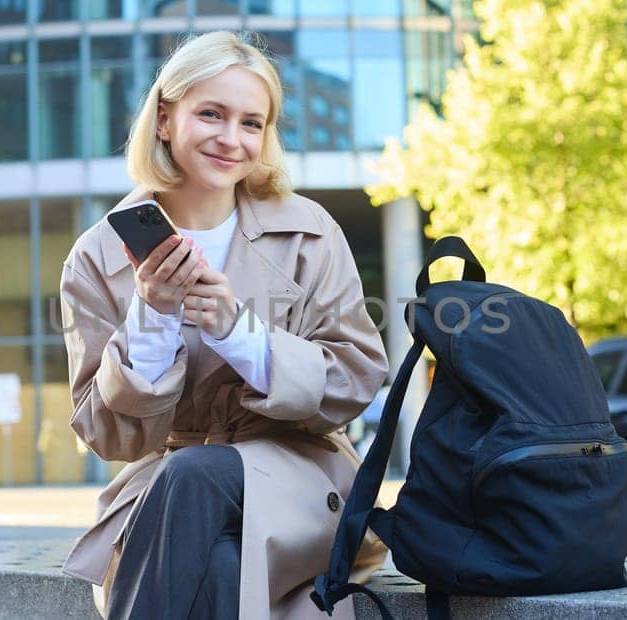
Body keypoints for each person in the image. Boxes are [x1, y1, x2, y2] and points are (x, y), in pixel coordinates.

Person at [57, 31, 389, 619]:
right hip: (166, 492)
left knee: (197, 475)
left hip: (301, 480)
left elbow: (355, 381)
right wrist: (153, 315)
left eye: (251, 123)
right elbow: (106, 434)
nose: (231, 139)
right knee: (218, 565)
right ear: (164, 118)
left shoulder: (308, 231)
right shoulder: (97, 256)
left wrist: (238, 331)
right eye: (211, 113)